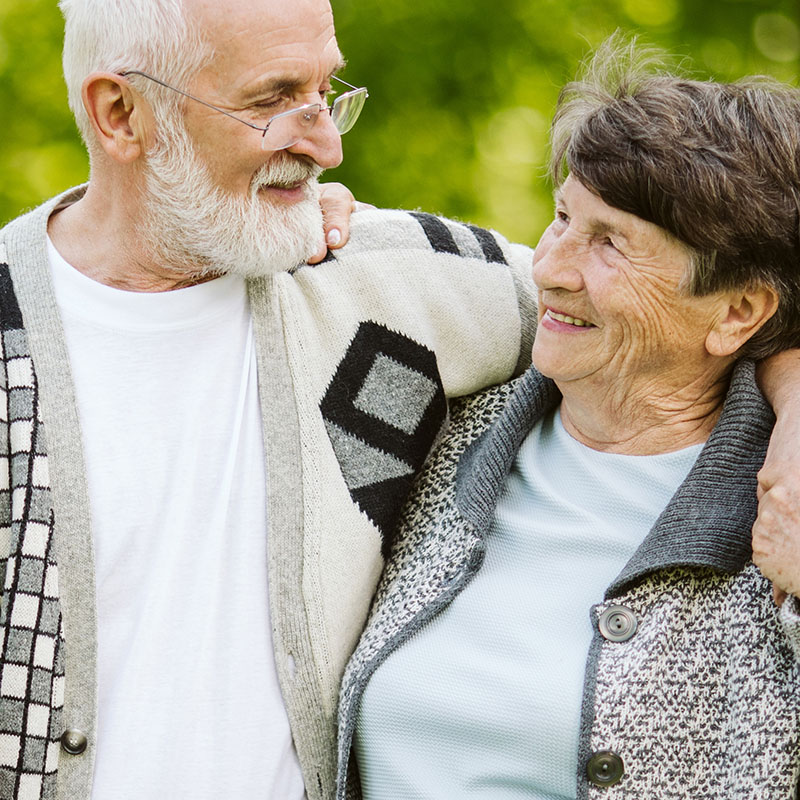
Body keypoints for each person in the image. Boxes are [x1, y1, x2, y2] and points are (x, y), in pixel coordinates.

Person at [0, 1, 540, 799]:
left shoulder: (378, 282)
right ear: (121, 114)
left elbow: (697, 304)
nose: (327, 142)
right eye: (273, 99)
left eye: (327, 91)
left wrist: (795, 415)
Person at [337, 40, 800, 800]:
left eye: (611, 243)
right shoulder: (444, 427)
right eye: (562, 217)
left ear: (738, 311)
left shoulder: (778, 517)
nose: (551, 267)